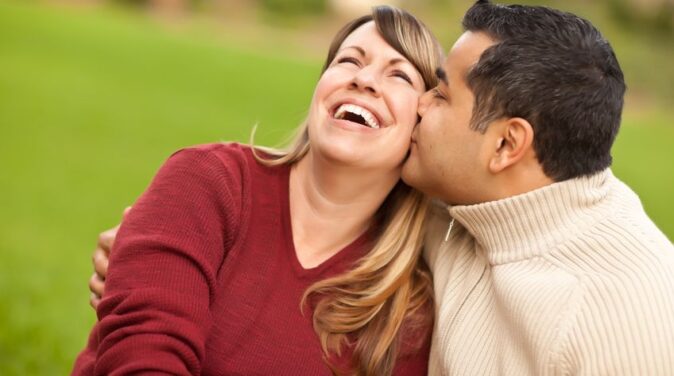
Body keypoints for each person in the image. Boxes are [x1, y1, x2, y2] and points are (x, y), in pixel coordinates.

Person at [73, 5, 443, 375]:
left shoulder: (405, 308)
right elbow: (143, 354)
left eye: (399, 75)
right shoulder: (208, 179)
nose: (364, 80)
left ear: (421, 127)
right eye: (349, 60)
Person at [401, 1, 674, 374]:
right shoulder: (471, 202)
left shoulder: (621, 326)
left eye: (442, 96)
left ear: (506, 145)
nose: (419, 103)